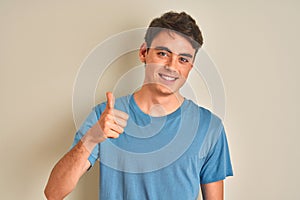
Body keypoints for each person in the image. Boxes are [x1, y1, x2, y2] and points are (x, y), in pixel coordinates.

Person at [44, 11, 233, 200]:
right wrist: (92, 138)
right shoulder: (105, 118)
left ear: (190, 67)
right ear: (144, 53)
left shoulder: (209, 127)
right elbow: (53, 192)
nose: (171, 66)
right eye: (163, 53)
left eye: (183, 59)